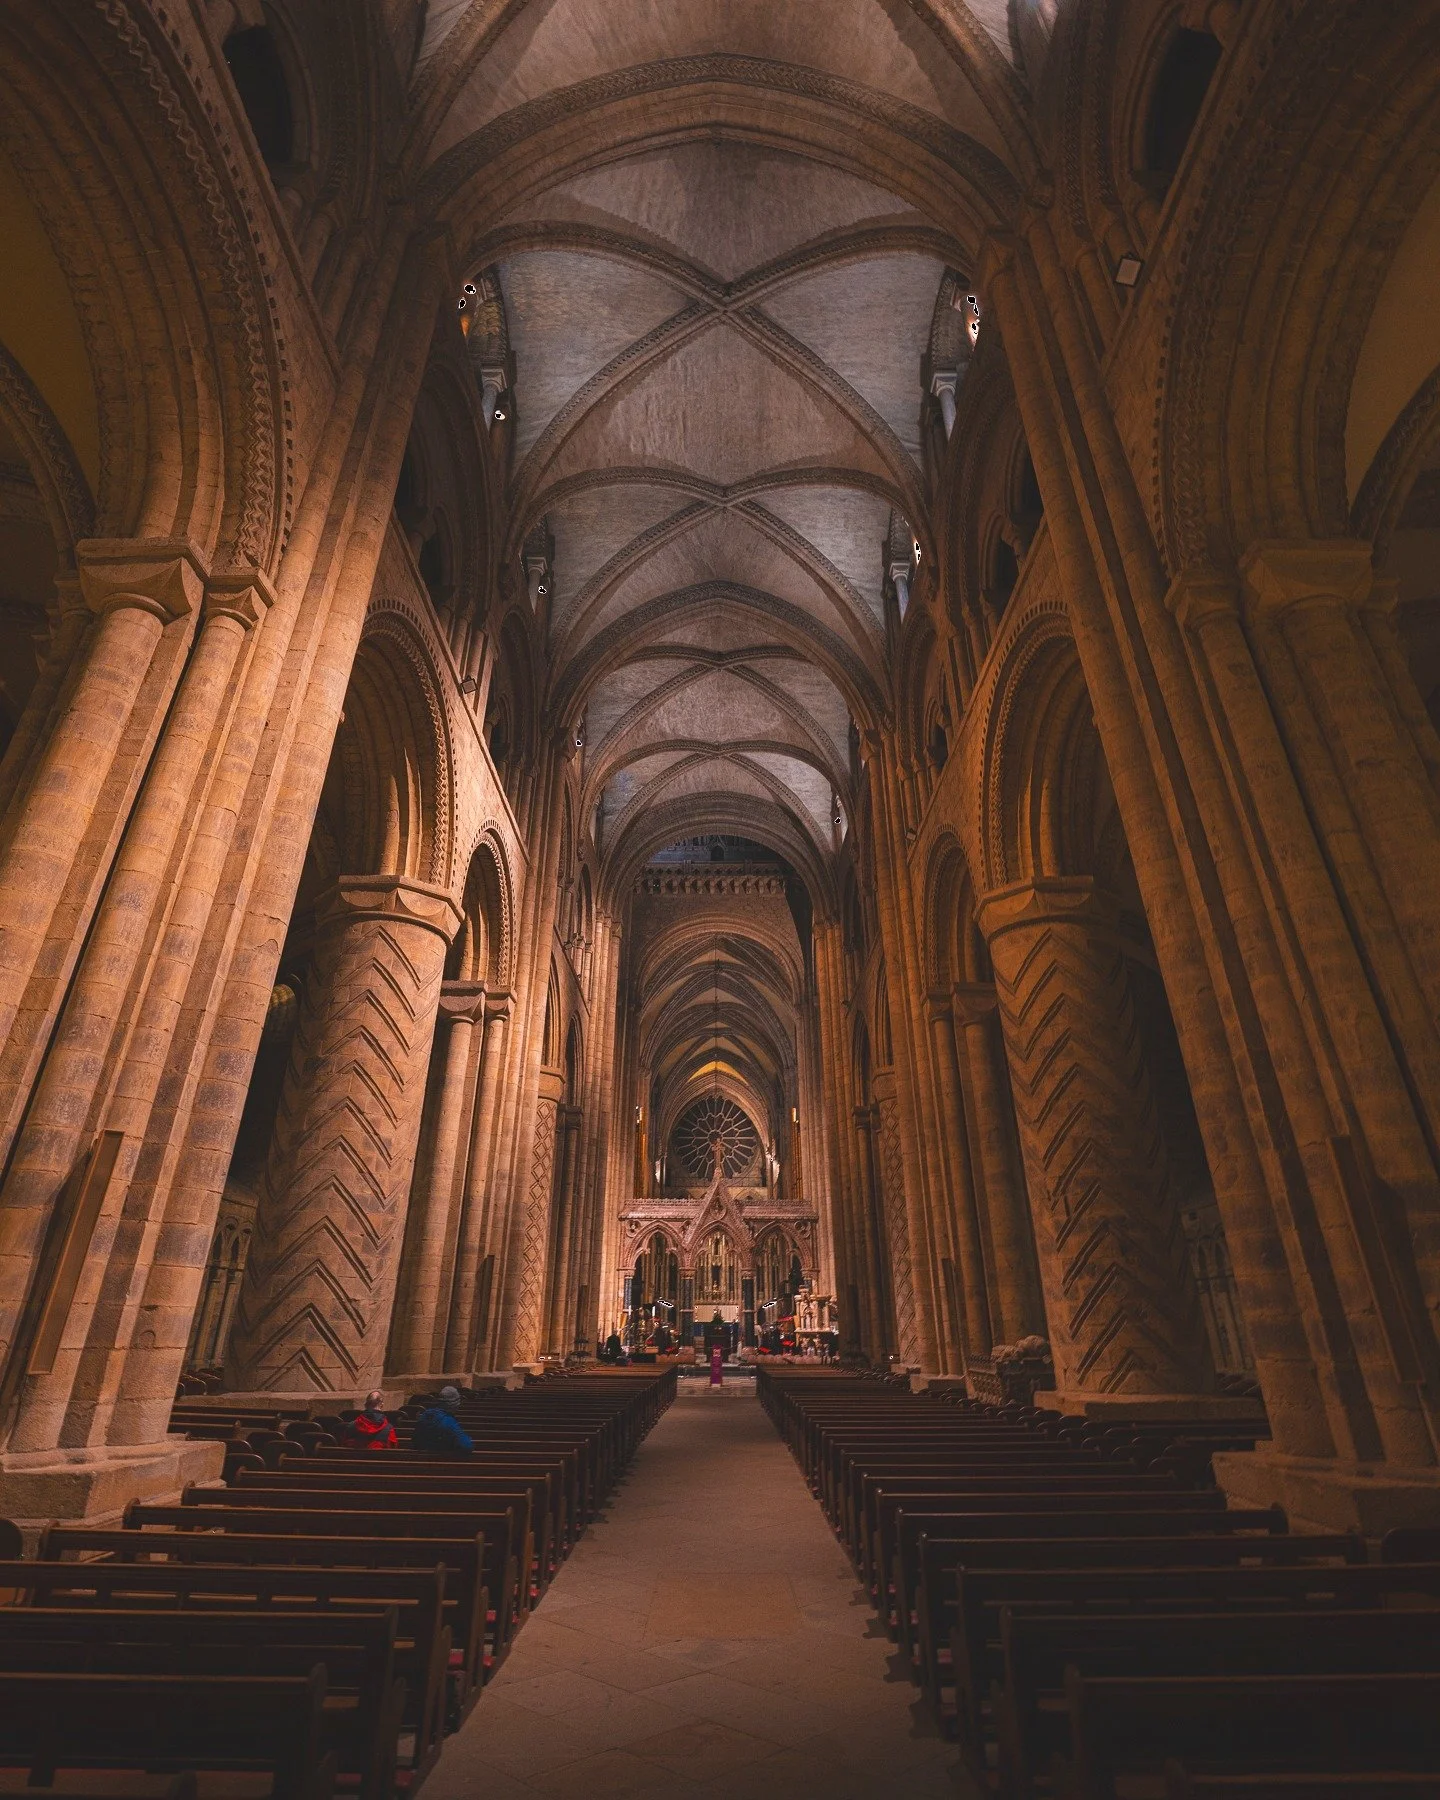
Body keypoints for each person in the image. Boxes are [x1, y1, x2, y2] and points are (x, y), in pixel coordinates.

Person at [411, 1385, 473, 1456]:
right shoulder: (449, 1422)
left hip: (420, 1462)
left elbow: (415, 1440)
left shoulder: (424, 1416)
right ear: (455, 1405)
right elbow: (466, 1447)